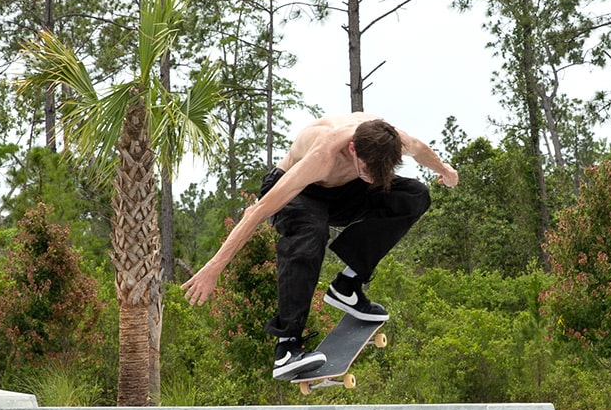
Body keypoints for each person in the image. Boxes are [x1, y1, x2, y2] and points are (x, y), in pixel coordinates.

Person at [182, 113, 459, 377]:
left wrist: (445, 170)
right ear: (352, 149)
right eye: (366, 171)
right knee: (311, 230)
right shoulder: (323, 152)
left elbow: (421, 150)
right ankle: (288, 345)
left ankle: (347, 286)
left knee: (414, 194)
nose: (372, 179)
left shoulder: (393, 140)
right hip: (299, 190)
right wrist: (213, 268)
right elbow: (258, 211)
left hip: (343, 193)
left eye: (378, 173)